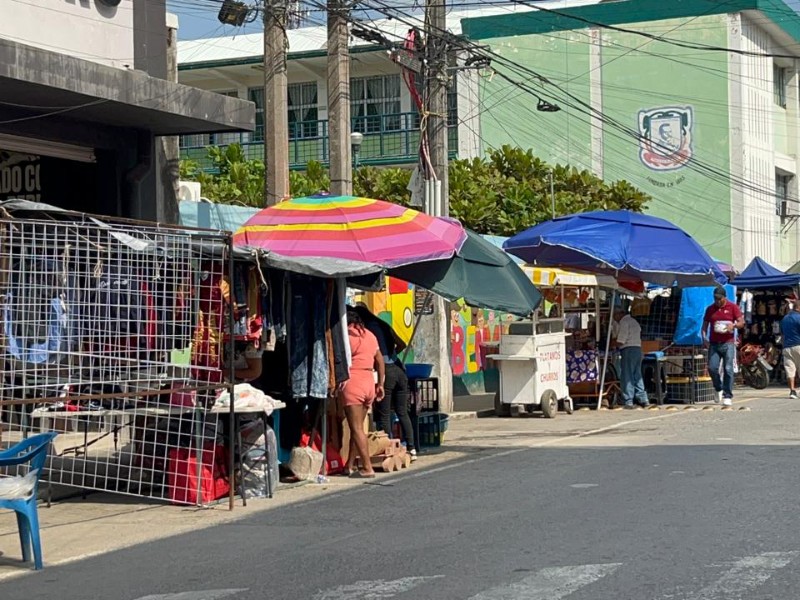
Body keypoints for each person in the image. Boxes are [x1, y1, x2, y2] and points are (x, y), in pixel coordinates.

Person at [354, 305, 416, 460]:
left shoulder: (367, 329)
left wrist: (381, 363)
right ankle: (412, 448)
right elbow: (401, 344)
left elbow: (375, 354)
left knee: (385, 414)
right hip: (399, 369)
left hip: (386, 372)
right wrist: (392, 356)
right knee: (402, 412)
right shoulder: (383, 324)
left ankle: (388, 449)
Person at [341, 308, 385, 478]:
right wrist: (380, 383)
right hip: (368, 382)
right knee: (358, 428)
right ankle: (349, 465)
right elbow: (380, 360)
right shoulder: (369, 335)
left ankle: (367, 467)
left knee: (356, 427)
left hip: (353, 381)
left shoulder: (346, 336)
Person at [702, 287, 744, 406]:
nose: (717, 301)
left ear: (724, 297)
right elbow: (704, 326)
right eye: (715, 298)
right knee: (712, 368)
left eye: (719, 299)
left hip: (728, 343)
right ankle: (718, 387)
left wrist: (734, 326)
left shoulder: (733, 307)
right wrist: (704, 338)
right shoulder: (710, 309)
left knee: (728, 368)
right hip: (714, 343)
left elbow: (741, 322)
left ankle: (727, 395)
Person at [612, 307, 649, 408]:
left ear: (619, 314)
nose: (614, 318)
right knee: (637, 374)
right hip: (637, 349)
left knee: (627, 375)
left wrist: (610, 343)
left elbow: (621, 341)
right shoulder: (634, 321)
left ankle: (628, 399)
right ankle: (643, 398)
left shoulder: (624, 323)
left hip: (628, 350)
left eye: (614, 316)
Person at [780, 297, 800, 399]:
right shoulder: (799, 318)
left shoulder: (785, 318)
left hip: (787, 347)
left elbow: (782, 334)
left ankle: (792, 391)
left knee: (790, 370)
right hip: (798, 345)